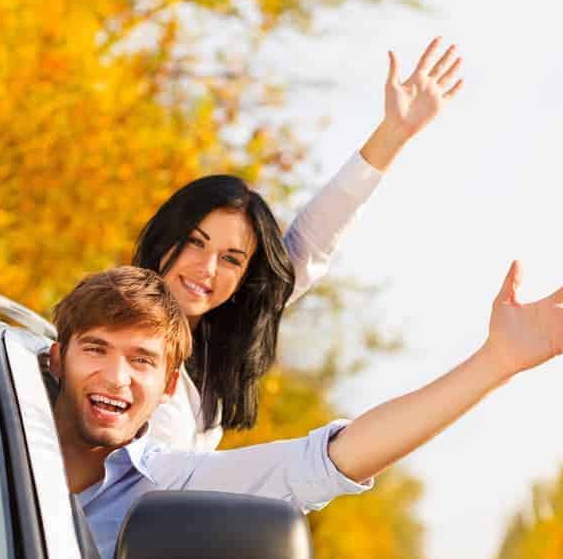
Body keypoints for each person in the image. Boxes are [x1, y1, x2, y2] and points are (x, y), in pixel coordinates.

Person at [0, 261, 563, 559]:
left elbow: (325, 460)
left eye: (142, 362)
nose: (116, 376)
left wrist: (495, 363)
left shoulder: (167, 485)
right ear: (58, 357)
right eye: (97, 349)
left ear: (164, 388)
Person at [134, 36, 465, 451]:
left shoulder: (211, 355)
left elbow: (312, 241)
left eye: (232, 259)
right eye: (196, 243)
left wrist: (393, 134)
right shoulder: (116, 335)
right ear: (167, 238)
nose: (208, 268)